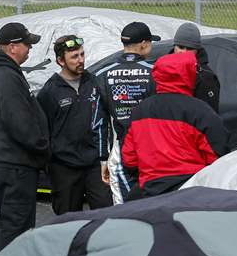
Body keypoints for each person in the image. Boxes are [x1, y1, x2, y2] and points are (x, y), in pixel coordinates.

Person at [0, 22, 49, 256]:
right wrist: (42, 148)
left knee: (7, 222)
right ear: (12, 47)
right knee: (16, 225)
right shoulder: (7, 77)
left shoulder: (3, 73)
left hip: (7, 163)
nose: (30, 49)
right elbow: (20, 122)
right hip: (15, 166)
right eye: (27, 44)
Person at [121, 50, 228, 198]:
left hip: (151, 190)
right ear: (187, 74)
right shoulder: (201, 111)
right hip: (191, 190)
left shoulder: (139, 111)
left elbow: (129, 160)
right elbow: (218, 157)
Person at [37, 34, 113, 215]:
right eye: (74, 57)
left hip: (95, 164)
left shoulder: (94, 83)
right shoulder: (50, 91)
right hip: (64, 167)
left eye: (82, 54)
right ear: (60, 61)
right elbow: (42, 131)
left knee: (106, 214)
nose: (81, 60)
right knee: (68, 220)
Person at [93, 21, 160, 203]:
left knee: (123, 207)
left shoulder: (102, 74)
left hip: (122, 149)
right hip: (153, 149)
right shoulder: (155, 71)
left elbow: (98, 122)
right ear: (143, 44)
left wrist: (103, 158)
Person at [172, 22, 220, 112]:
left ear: (197, 50)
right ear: (174, 46)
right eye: (181, 47)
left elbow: (209, 114)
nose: (184, 52)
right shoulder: (161, 69)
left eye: (189, 48)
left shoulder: (205, 77)